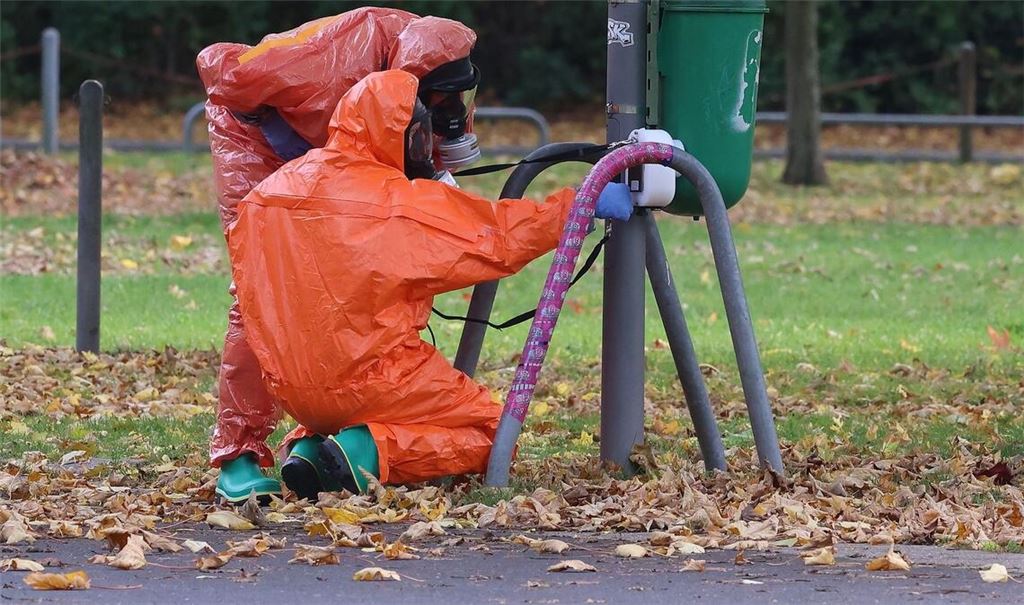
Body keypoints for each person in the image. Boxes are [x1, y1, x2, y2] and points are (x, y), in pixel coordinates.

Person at [227, 70, 634, 497]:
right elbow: (496, 238)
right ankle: (365, 451)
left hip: (292, 389)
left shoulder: (264, 197)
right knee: (494, 434)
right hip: (374, 378)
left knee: (369, 408)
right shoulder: (396, 203)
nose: (428, 149)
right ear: (402, 134)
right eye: (421, 137)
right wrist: (580, 206)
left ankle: (313, 453)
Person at [195, 8, 485, 503]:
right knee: (262, 292)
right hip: (261, 146)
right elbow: (223, 72)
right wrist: (300, 147)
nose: (453, 110)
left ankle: (329, 436)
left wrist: (432, 174)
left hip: (332, 154)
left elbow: (419, 148)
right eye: (440, 100)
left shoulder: (435, 62)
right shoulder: (335, 57)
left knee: (356, 279)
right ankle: (238, 455)